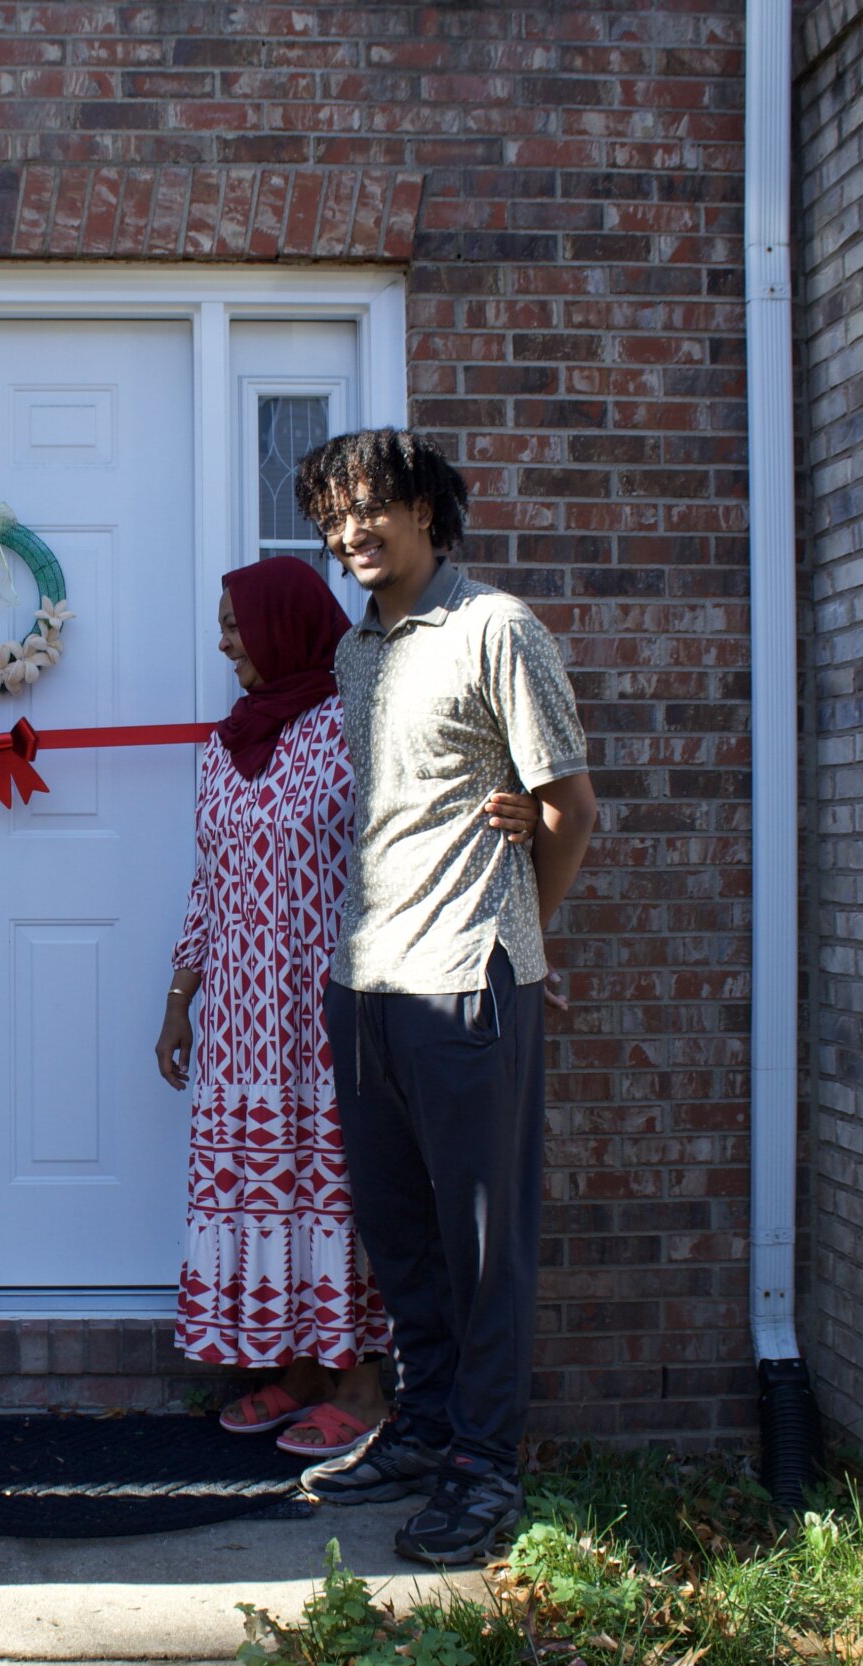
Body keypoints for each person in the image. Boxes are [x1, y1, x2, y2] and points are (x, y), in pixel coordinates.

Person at [291, 428, 598, 1567]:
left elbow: (567, 808)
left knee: (483, 1249)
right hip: (363, 981)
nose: (350, 531)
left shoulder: (494, 629)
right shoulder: (355, 653)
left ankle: (483, 1468)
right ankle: (421, 1430)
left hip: (469, 979)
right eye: (333, 513)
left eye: (372, 505)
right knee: (399, 1235)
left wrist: (522, 941)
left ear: (428, 511)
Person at [157, 557, 541, 1462]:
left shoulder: (352, 726)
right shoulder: (222, 746)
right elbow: (208, 881)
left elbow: (426, 819)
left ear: (283, 622)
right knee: (271, 1190)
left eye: (234, 623)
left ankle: (365, 1384)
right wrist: (181, 997)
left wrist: (517, 815)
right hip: (243, 1025)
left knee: (344, 1192)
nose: (223, 641)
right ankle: (299, 1369)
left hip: (334, 1008)